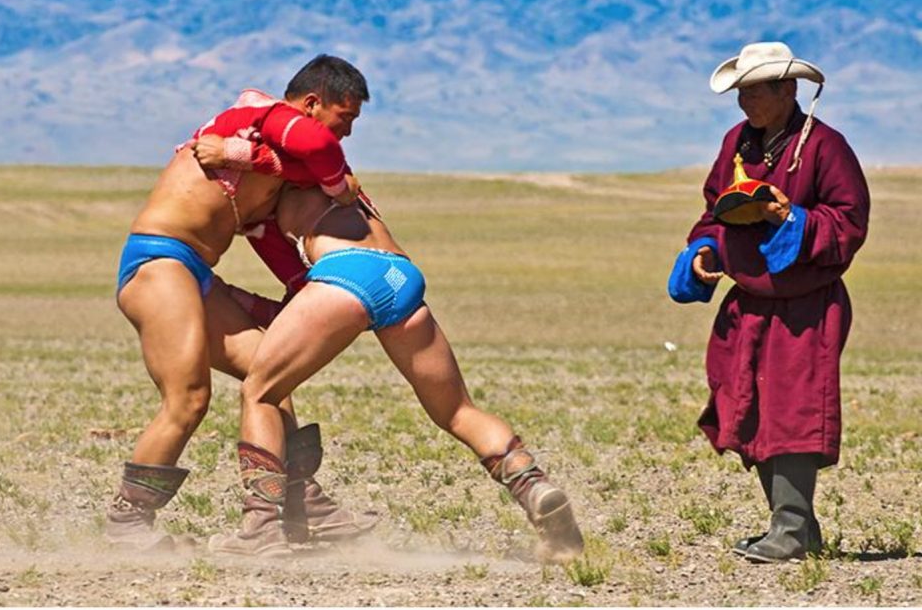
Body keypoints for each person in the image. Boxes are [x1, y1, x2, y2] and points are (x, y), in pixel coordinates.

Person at [206, 183, 587, 562]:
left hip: (347, 271)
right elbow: (296, 305)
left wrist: (226, 150)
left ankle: (260, 530)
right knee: (457, 410)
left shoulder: (282, 157)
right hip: (399, 275)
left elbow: (263, 152)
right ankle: (535, 487)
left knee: (259, 392)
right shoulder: (327, 176)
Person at [107, 55, 377, 551]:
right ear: (312, 103)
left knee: (270, 376)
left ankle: (291, 506)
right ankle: (127, 524)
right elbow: (317, 145)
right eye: (346, 118)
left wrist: (322, 301)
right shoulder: (259, 115)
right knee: (188, 398)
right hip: (159, 261)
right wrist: (338, 186)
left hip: (197, 275)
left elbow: (281, 256)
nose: (348, 134)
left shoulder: (267, 170)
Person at [668, 42, 870, 563]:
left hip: (807, 306)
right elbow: (715, 209)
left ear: (788, 90)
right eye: (741, 92)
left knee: (794, 410)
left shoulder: (826, 147)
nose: (744, 103)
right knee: (749, 406)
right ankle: (799, 531)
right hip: (749, 301)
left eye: (754, 91)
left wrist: (789, 219)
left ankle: (789, 528)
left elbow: (849, 223)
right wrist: (703, 250)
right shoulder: (738, 142)